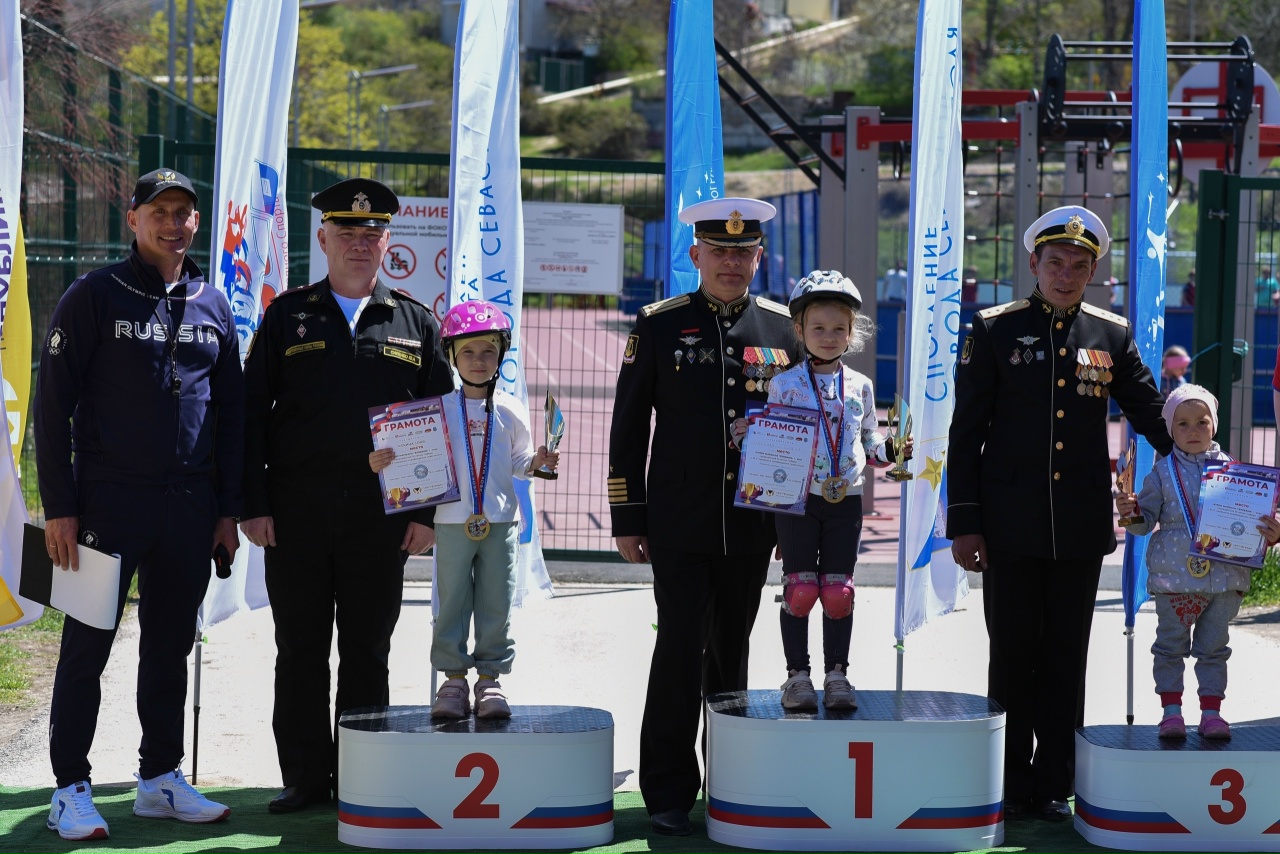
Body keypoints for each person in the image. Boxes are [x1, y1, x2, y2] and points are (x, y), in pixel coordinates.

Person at [33, 168, 242, 839]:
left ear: (196, 221)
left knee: (169, 647)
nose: (172, 224)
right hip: (105, 505)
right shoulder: (94, 294)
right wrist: (59, 508)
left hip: (189, 506)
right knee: (86, 648)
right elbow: (52, 406)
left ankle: (160, 778)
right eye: (159, 212)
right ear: (133, 219)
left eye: (184, 212)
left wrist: (227, 511)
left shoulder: (214, 304)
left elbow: (232, 417)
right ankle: (70, 788)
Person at [947, 205, 1173, 822]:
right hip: (1008, 522)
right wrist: (964, 521)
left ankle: (1055, 782)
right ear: (1034, 264)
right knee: (1011, 652)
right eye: (1056, 263)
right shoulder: (994, 329)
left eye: (1079, 265)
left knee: (1067, 656)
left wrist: (1211, 464)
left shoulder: (1111, 335)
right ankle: (1008, 778)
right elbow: (966, 433)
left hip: (1078, 523)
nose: (1066, 274)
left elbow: (1152, 413)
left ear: (1093, 271)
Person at [240, 177, 454, 814]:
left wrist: (425, 514)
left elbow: (440, 422)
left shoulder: (416, 321)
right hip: (296, 512)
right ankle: (305, 778)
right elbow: (250, 415)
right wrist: (253, 502)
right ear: (324, 238)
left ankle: (361, 777)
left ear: (387, 242)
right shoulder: (286, 316)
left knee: (367, 649)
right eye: (348, 232)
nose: (361, 243)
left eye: (373, 233)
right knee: (299, 649)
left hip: (379, 518)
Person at [608, 197, 798, 837]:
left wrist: (793, 523)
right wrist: (628, 516)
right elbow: (628, 428)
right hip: (679, 520)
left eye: (743, 252)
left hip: (753, 522)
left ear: (759, 257)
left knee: (732, 652)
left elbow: (803, 428)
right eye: (719, 251)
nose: (731, 262)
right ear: (695, 255)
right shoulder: (660, 325)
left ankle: (730, 782)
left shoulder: (784, 329)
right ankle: (667, 790)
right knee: (679, 649)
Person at [369, 300, 558, 719]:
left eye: (489, 351)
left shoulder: (510, 409)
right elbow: (408, 456)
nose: (478, 360)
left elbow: (519, 462)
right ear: (451, 356)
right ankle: (453, 680)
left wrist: (537, 462)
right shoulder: (434, 409)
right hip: (451, 523)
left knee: (496, 603)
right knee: (450, 601)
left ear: (501, 356)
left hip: (501, 523)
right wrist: (382, 461)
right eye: (468, 351)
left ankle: (490, 679)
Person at [735, 270, 910, 712]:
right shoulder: (785, 384)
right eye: (818, 328)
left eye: (838, 329)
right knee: (800, 591)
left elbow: (869, 441)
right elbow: (773, 443)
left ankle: (837, 675)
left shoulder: (862, 386)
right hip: (798, 501)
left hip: (846, 500)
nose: (828, 337)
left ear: (852, 333)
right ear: (799, 331)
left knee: (838, 592)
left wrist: (890, 450)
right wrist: (751, 439)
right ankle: (797, 677)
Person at [1115, 384, 1280, 741]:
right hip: (1174, 579)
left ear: (1214, 425)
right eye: (1183, 424)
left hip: (1224, 580)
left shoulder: (1237, 473)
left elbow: (1252, 524)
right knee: (1170, 647)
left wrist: (1271, 532)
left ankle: (1211, 713)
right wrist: (1130, 512)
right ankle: (1171, 713)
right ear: (1171, 430)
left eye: (1201, 422)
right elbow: (1143, 523)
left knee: (1214, 649)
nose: (1193, 430)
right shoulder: (1161, 473)